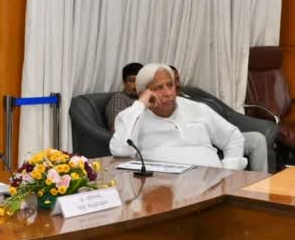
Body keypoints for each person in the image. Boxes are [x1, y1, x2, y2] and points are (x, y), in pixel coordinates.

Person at [109, 63, 246, 169]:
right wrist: (140, 105)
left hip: (212, 186)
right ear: (144, 92)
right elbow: (120, 150)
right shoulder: (132, 116)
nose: (168, 93)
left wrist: (228, 171)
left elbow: (233, 137)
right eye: (159, 88)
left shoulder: (197, 109)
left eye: (170, 85)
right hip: (163, 193)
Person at [170, 64, 271, 172]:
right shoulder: (161, 110)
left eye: (177, 79)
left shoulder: (191, 100)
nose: (176, 84)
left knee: (257, 139)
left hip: (218, 134)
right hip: (201, 145)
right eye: (171, 81)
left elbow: (227, 132)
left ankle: (261, 183)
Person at [105, 61, 145, 129]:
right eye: (132, 80)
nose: (136, 84)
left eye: (139, 80)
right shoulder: (119, 99)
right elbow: (117, 129)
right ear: (124, 82)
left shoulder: (144, 98)